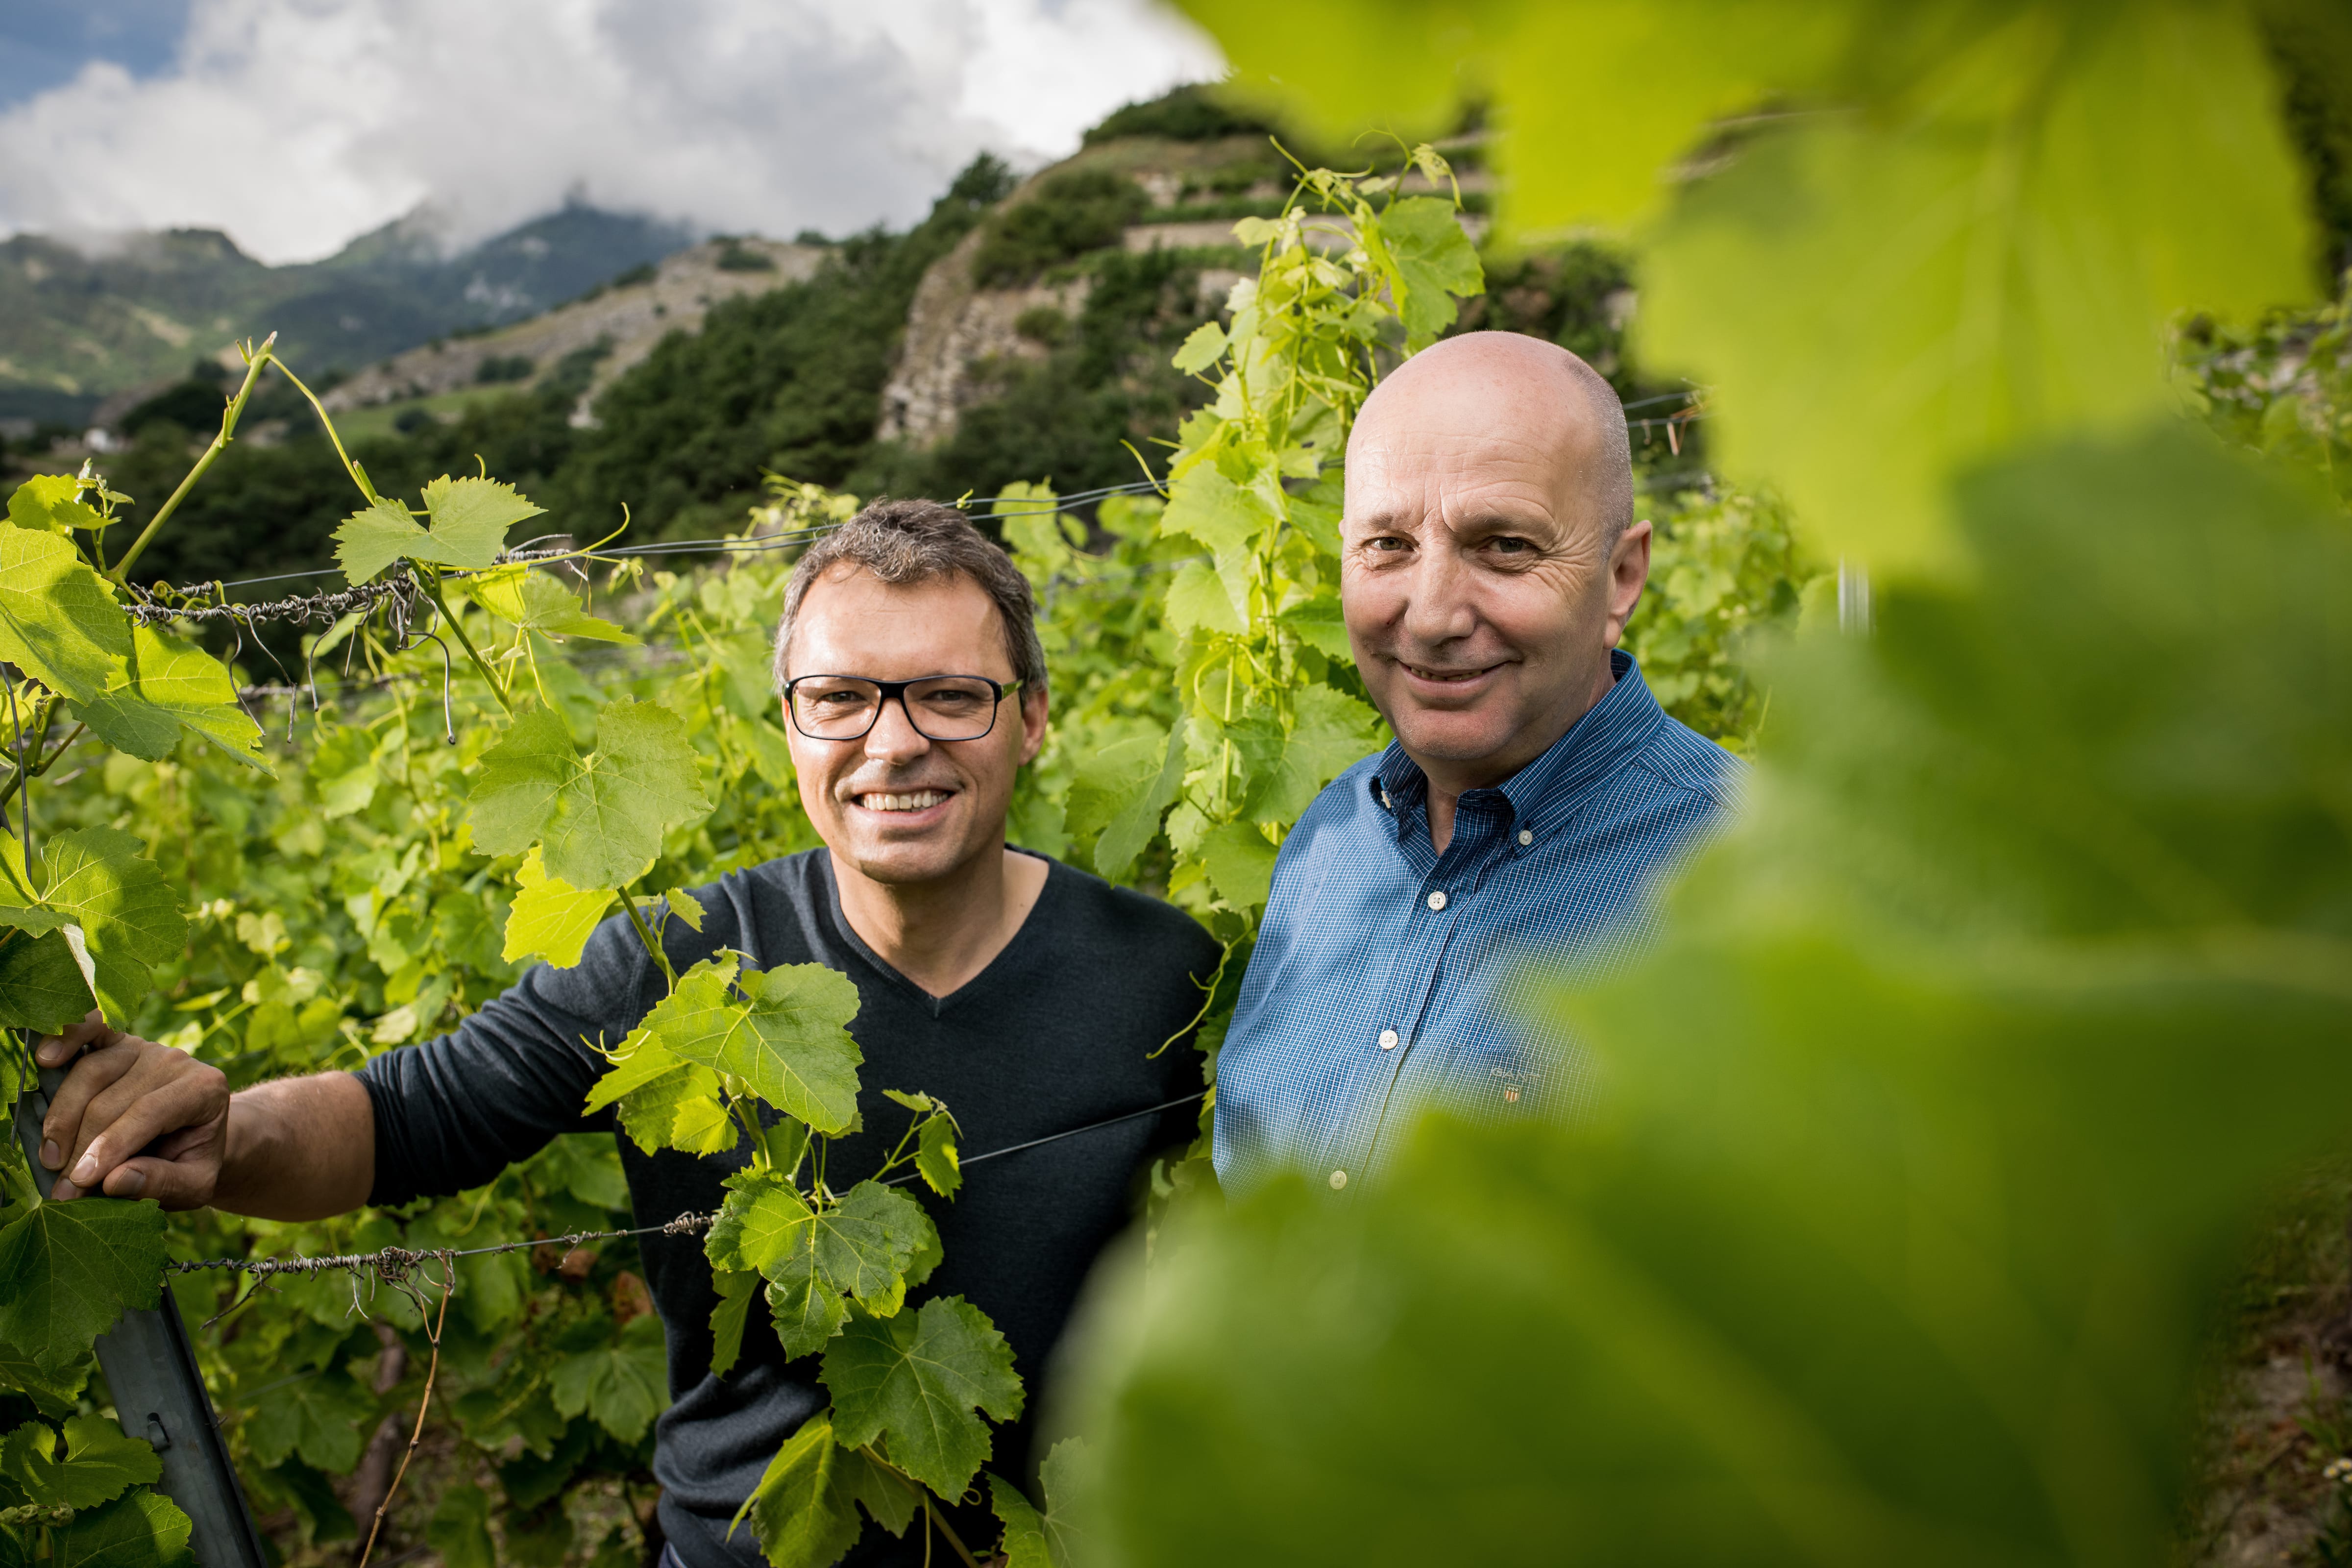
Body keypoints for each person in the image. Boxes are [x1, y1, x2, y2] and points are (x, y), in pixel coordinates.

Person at [31, 501, 1221, 1568]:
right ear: (793, 724)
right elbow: (407, 1116)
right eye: (841, 696)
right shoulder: (680, 955)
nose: (894, 740)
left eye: (951, 694)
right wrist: (225, 1134)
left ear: (1034, 720)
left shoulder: (1171, 976)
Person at [1213, 332, 1742, 1197]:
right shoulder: (1326, 846)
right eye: (1387, 545)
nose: (1430, 617)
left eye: (1503, 546)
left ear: (1621, 577)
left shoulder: (1758, 881)